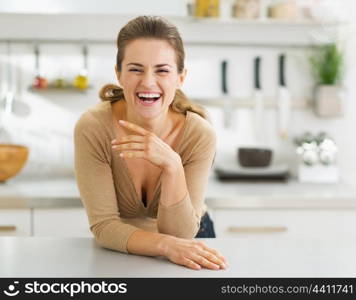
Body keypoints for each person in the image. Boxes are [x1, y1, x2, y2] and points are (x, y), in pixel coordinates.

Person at [74, 15, 227, 270]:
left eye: (162, 70)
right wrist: (164, 245)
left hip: (191, 239)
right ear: (119, 74)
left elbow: (181, 235)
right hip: (124, 247)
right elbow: (104, 226)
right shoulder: (93, 127)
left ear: (180, 78)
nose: (147, 82)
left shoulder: (199, 134)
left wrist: (173, 165)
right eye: (135, 69)